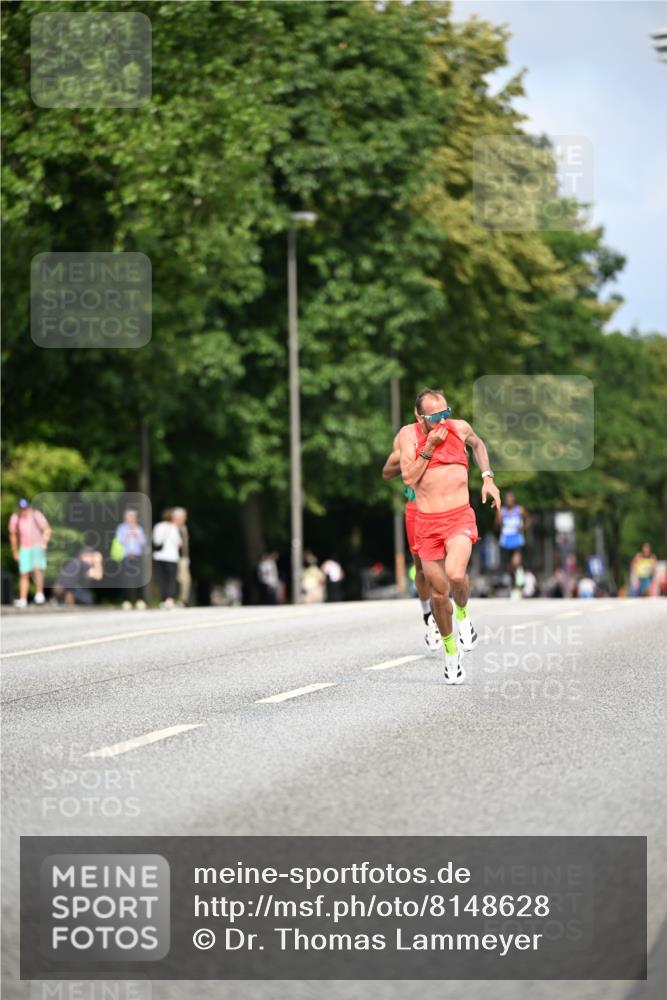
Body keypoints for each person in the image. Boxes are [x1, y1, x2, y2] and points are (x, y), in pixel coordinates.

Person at [398, 388, 501, 684]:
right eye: (435, 416)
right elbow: (408, 477)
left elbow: (479, 445)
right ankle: (450, 651)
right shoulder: (410, 435)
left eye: (446, 412)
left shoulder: (459, 428)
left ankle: (464, 614)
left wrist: (488, 478)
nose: (443, 419)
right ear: (419, 416)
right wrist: (428, 447)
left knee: (456, 575)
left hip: (459, 517)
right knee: (439, 592)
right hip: (427, 523)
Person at [383, 434, 441, 651]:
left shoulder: (449, 434)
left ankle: (446, 613)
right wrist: (410, 462)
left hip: (444, 506)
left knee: (443, 566)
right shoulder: (404, 438)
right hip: (416, 508)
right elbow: (387, 472)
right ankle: (429, 617)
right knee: (422, 568)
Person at [8, 498, 51, 608]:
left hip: (37, 546)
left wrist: (44, 542)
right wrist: (15, 551)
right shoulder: (15, 518)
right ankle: (23, 599)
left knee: (37, 571)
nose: (24, 511)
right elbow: (13, 535)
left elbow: (47, 529)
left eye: (25, 508)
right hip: (24, 548)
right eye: (21, 509)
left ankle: (39, 595)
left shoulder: (36, 515)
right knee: (24, 573)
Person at [114, 507, 148, 610]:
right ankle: (126, 601)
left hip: (137, 556)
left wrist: (136, 534)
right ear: (125, 517)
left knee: (139, 579)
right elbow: (120, 541)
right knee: (125, 579)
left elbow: (142, 542)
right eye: (129, 516)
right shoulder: (121, 528)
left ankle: (140, 600)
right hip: (126, 556)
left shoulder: (139, 528)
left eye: (133, 516)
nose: (131, 518)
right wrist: (128, 534)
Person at [152, 509, 181, 609]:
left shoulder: (158, 526)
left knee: (162, 579)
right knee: (171, 579)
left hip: (159, 556)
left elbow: (156, 541)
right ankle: (170, 599)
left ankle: (163, 600)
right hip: (171, 557)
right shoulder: (173, 527)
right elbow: (178, 543)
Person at [496, 491, 528, 569]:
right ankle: (511, 577)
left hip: (517, 540)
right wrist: (498, 521)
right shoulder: (501, 512)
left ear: (514, 499)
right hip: (505, 542)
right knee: (508, 565)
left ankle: (519, 579)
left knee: (516, 563)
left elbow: (528, 520)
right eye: (507, 499)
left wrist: (523, 527)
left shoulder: (520, 510)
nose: (509, 501)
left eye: (511, 499)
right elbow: (496, 526)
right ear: (505, 500)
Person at [172, 507, 191, 606]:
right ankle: (172, 599)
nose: (185, 519)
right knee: (175, 579)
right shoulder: (171, 527)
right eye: (183, 517)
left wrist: (187, 557)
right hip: (172, 557)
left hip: (183, 558)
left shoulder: (184, 528)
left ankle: (183, 600)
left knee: (185, 579)